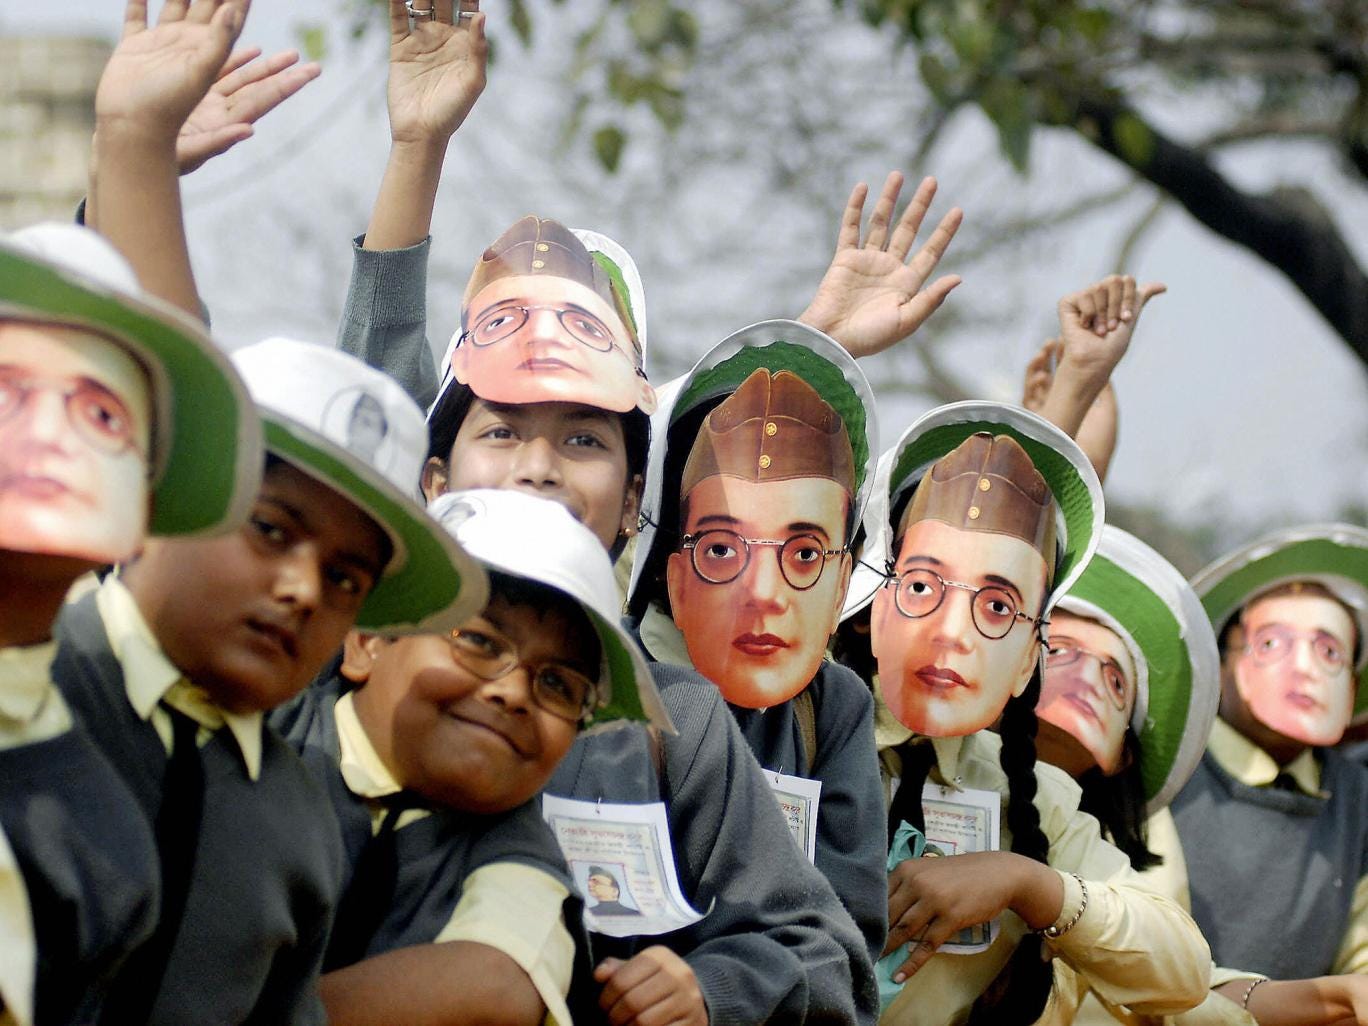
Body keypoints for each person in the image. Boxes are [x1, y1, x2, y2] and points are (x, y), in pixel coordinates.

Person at [53, 337, 484, 1026]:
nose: (303, 588)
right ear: (166, 496)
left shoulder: (298, 828)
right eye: (270, 529)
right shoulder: (32, 688)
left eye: (345, 578)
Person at [837, 399, 1209, 1026]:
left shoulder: (1035, 800)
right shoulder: (785, 728)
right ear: (875, 603)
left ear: (1027, 663)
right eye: (923, 586)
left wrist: (1028, 885)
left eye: (998, 608)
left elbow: (1184, 968)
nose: (952, 633)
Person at [274, 489, 671, 1026]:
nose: (513, 693)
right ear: (368, 642)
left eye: (557, 683)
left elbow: (494, 985)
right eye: (481, 642)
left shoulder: (521, 860)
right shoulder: (262, 742)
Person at [0, 218, 260, 1026]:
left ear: (149, 505)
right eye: (6, 391)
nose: (44, 435)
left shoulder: (103, 847)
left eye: (102, 416)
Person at [625, 320, 888, 966]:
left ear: (843, 582)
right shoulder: (611, 680)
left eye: (803, 553)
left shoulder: (834, 710)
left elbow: (847, 946)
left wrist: (720, 994)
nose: (764, 592)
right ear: (672, 569)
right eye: (720, 548)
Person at [1164, 524, 1368, 984]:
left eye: (1330, 653)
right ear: (1222, 662)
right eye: (1272, 644)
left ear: (1352, 688)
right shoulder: (1168, 768)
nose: (1305, 670)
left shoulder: (1357, 797)